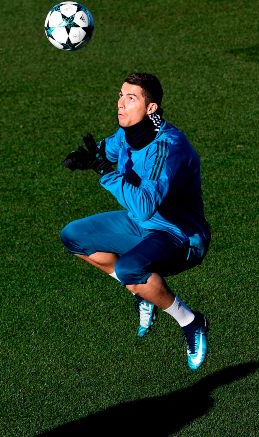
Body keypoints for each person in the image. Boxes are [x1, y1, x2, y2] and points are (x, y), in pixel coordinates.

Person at [59, 72, 211, 372]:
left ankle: (191, 322)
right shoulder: (129, 133)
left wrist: (104, 171)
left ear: (151, 108)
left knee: (130, 268)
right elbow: (110, 148)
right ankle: (142, 291)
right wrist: (89, 157)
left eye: (131, 98)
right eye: (120, 95)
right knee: (73, 237)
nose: (121, 104)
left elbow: (143, 206)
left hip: (181, 237)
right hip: (143, 228)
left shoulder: (167, 146)